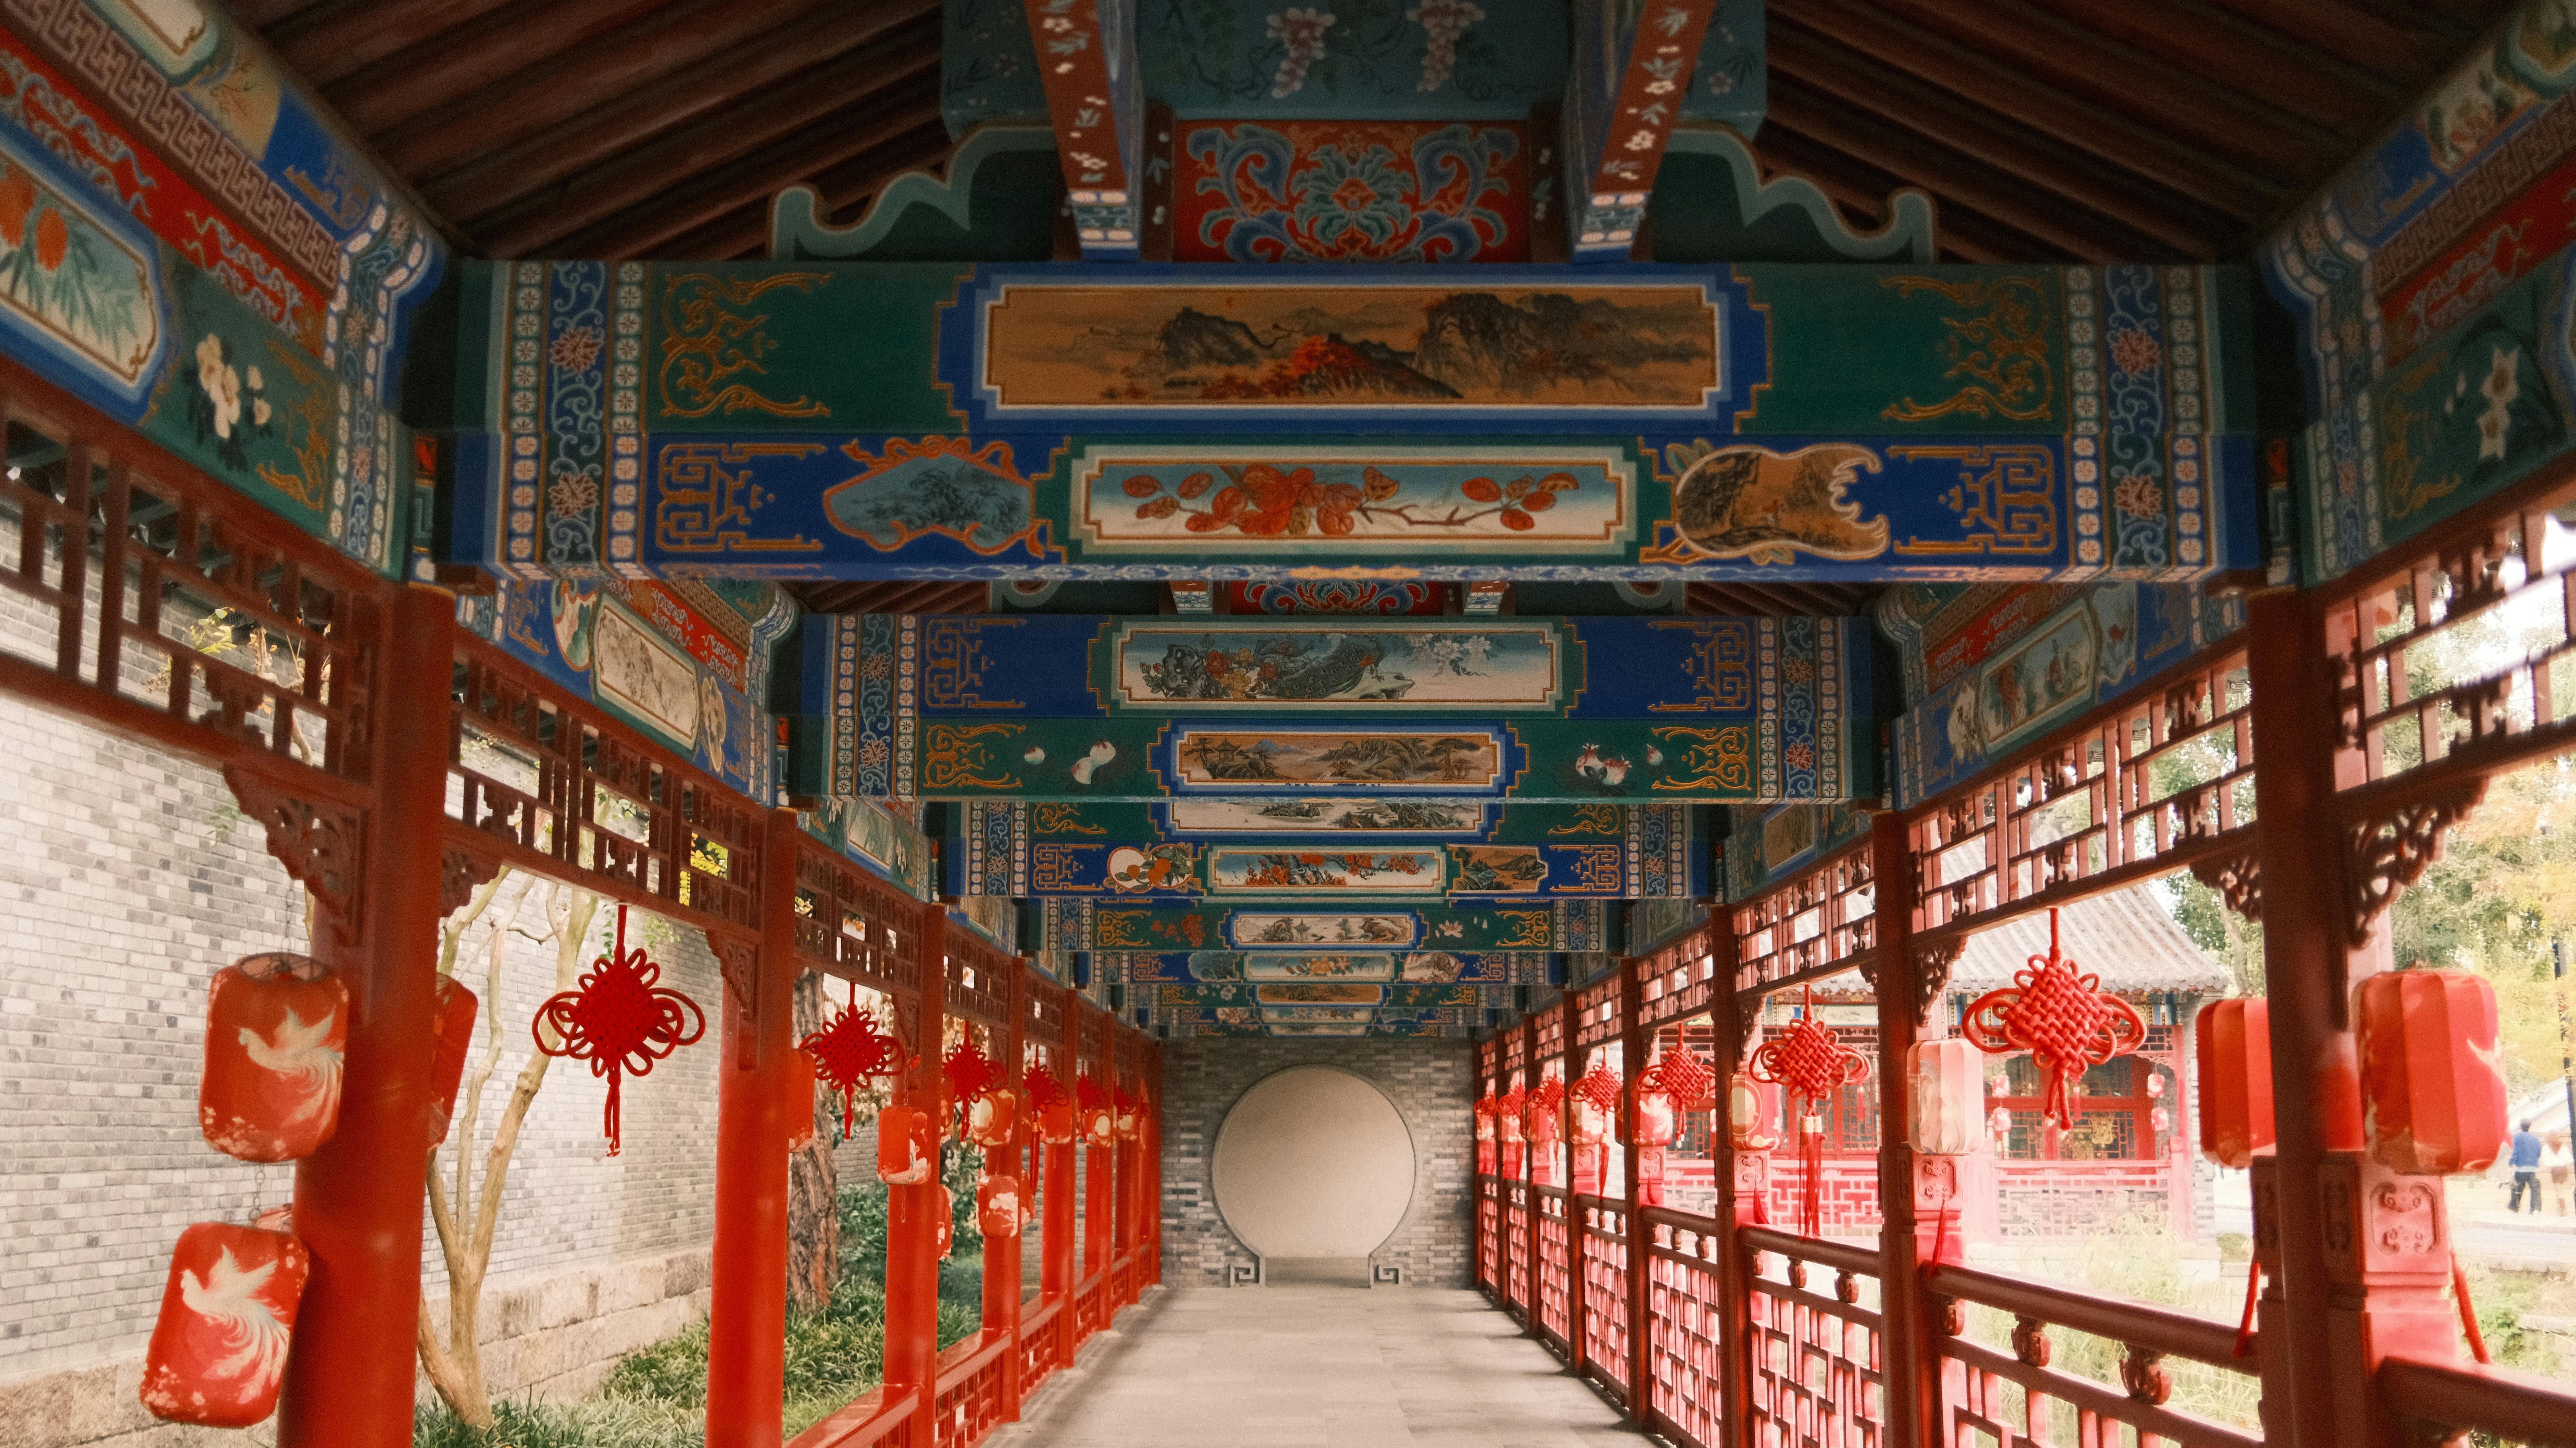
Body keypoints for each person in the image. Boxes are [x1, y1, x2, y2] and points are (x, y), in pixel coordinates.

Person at [2507, 1119, 2544, 1213]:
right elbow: (2539, 1152)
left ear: (2521, 1126)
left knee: (2518, 1187)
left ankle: (2514, 1207)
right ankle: (2535, 1209)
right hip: (2533, 1168)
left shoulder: (2517, 1137)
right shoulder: (2535, 1138)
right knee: (2535, 1189)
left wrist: (2511, 1163)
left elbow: (2516, 1152)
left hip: (2521, 1168)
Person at [2547, 1131, 2573, 1217]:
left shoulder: (2548, 1147)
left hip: (2555, 1170)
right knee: (2562, 1189)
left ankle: (2562, 1210)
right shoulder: (2563, 1147)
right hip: (2563, 1169)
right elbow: (2569, 1160)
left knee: (2559, 1190)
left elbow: (2546, 1160)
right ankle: (2562, 1209)